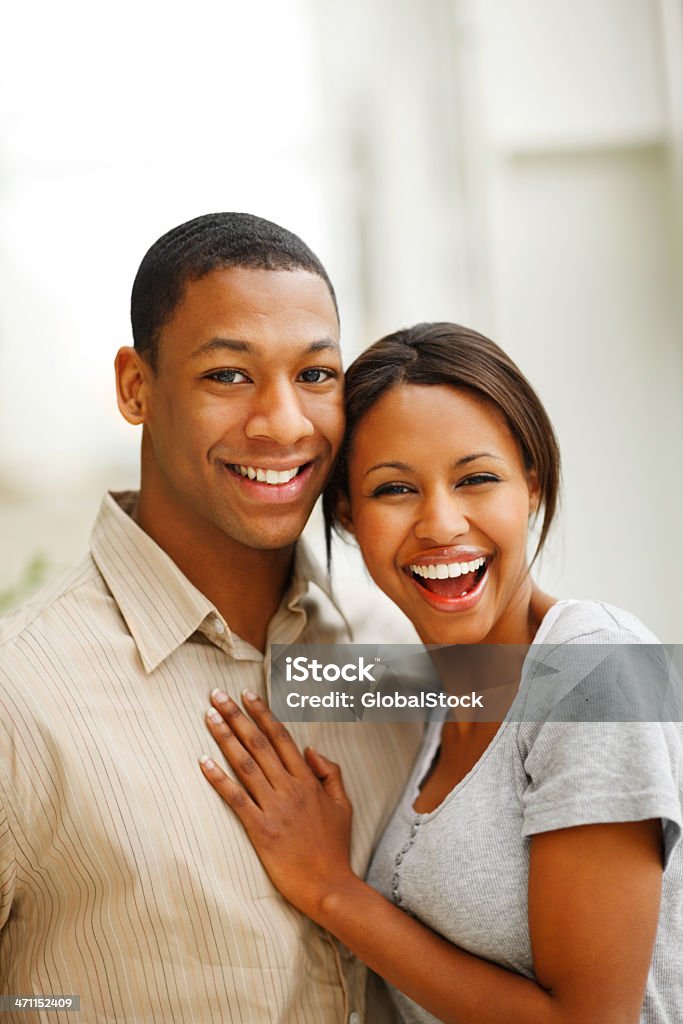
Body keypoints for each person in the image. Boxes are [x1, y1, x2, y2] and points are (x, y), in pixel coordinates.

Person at [0, 213, 421, 1023]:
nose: (283, 423)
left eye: (315, 375)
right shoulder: (21, 696)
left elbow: (606, 692)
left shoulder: (392, 653)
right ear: (136, 387)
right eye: (228, 375)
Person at [199, 322, 682, 1024]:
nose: (440, 524)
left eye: (476, 479)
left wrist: (332, 890)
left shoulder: (592, 665)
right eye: (394, 489)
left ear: (531, 488)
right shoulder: (441, 688)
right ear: (347, 515)